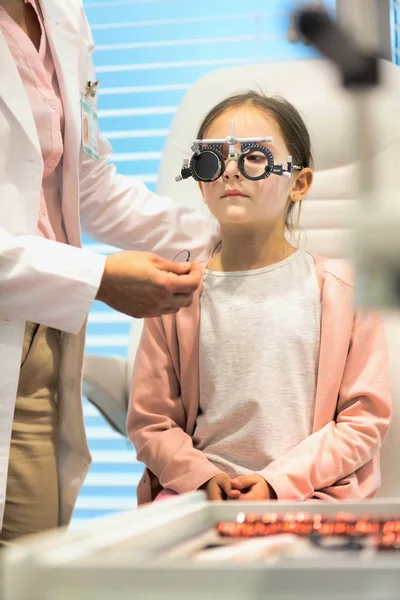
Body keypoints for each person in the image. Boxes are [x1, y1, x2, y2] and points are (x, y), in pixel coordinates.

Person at [0, 0, 218, 541]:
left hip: (45, 333)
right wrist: (98, 278)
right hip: (22, 309)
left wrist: (223, 239)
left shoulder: (61, 14)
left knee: (35, 553)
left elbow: (85, 179)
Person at [128, 91, 392, 504]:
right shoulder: (173, 295)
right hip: (197, 500)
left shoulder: (347, 293)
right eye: (214, 159)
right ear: (200, 181)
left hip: (309, 499)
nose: (231, 171)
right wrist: (199, 477)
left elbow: (364, 420)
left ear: (299, 183)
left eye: (254, 158)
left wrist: (277, 484)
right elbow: (151, 422)